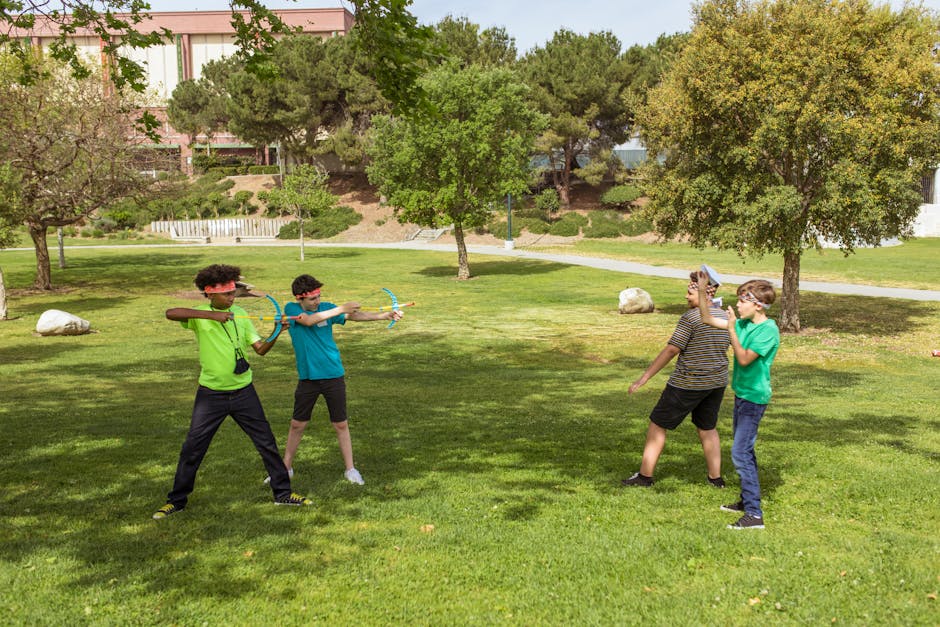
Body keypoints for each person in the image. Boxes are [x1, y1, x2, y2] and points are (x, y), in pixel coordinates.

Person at [153, 264, 311, 520]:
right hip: (211, 394)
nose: (231, 298)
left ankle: (283, 494)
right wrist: (211, 316)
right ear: (210, 293)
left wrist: (277, 332)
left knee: (267, 443)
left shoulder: (240, 313)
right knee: (193, 448)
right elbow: (171, 313)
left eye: (232, 293)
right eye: (226, 294)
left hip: (243, 392)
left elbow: (260, 349)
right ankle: (177, 501)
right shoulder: (199, 315)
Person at [268, 274, 403, 487]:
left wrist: (384, 316)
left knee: (340, 423)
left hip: (333, 374)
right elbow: (309, 321)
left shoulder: (327, 308)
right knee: (297, 424)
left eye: (319, 297)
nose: (317, 301)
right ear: (299, 298)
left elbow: (354, 316)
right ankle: (286, 468)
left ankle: (351, 469)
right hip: (308, 378)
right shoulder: (292, 309)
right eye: (312, 299)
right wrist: (341, 308)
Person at [622, 271, 731, 489]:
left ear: (706, 292)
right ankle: (715, 479)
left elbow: (672, 350)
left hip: (687, 383)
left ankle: (644, 477)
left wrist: (644, 378)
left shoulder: (691, 318)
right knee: (707, 427)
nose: (685, 296)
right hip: (716, 383)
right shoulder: (726, 317)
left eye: (690, 292)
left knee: (658, 424)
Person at [697, 273, 780, 530]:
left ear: (758, 305)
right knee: (746, 450)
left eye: (742, 301)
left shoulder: (768, 330)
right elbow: (707, 318)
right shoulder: (744, 324)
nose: (737, 305)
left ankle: (754, 515)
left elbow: (743, 359)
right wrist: (702, 291)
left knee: (740, 452)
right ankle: (747, 500)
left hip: (754, 399)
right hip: (742, 395)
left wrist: (732, 328)